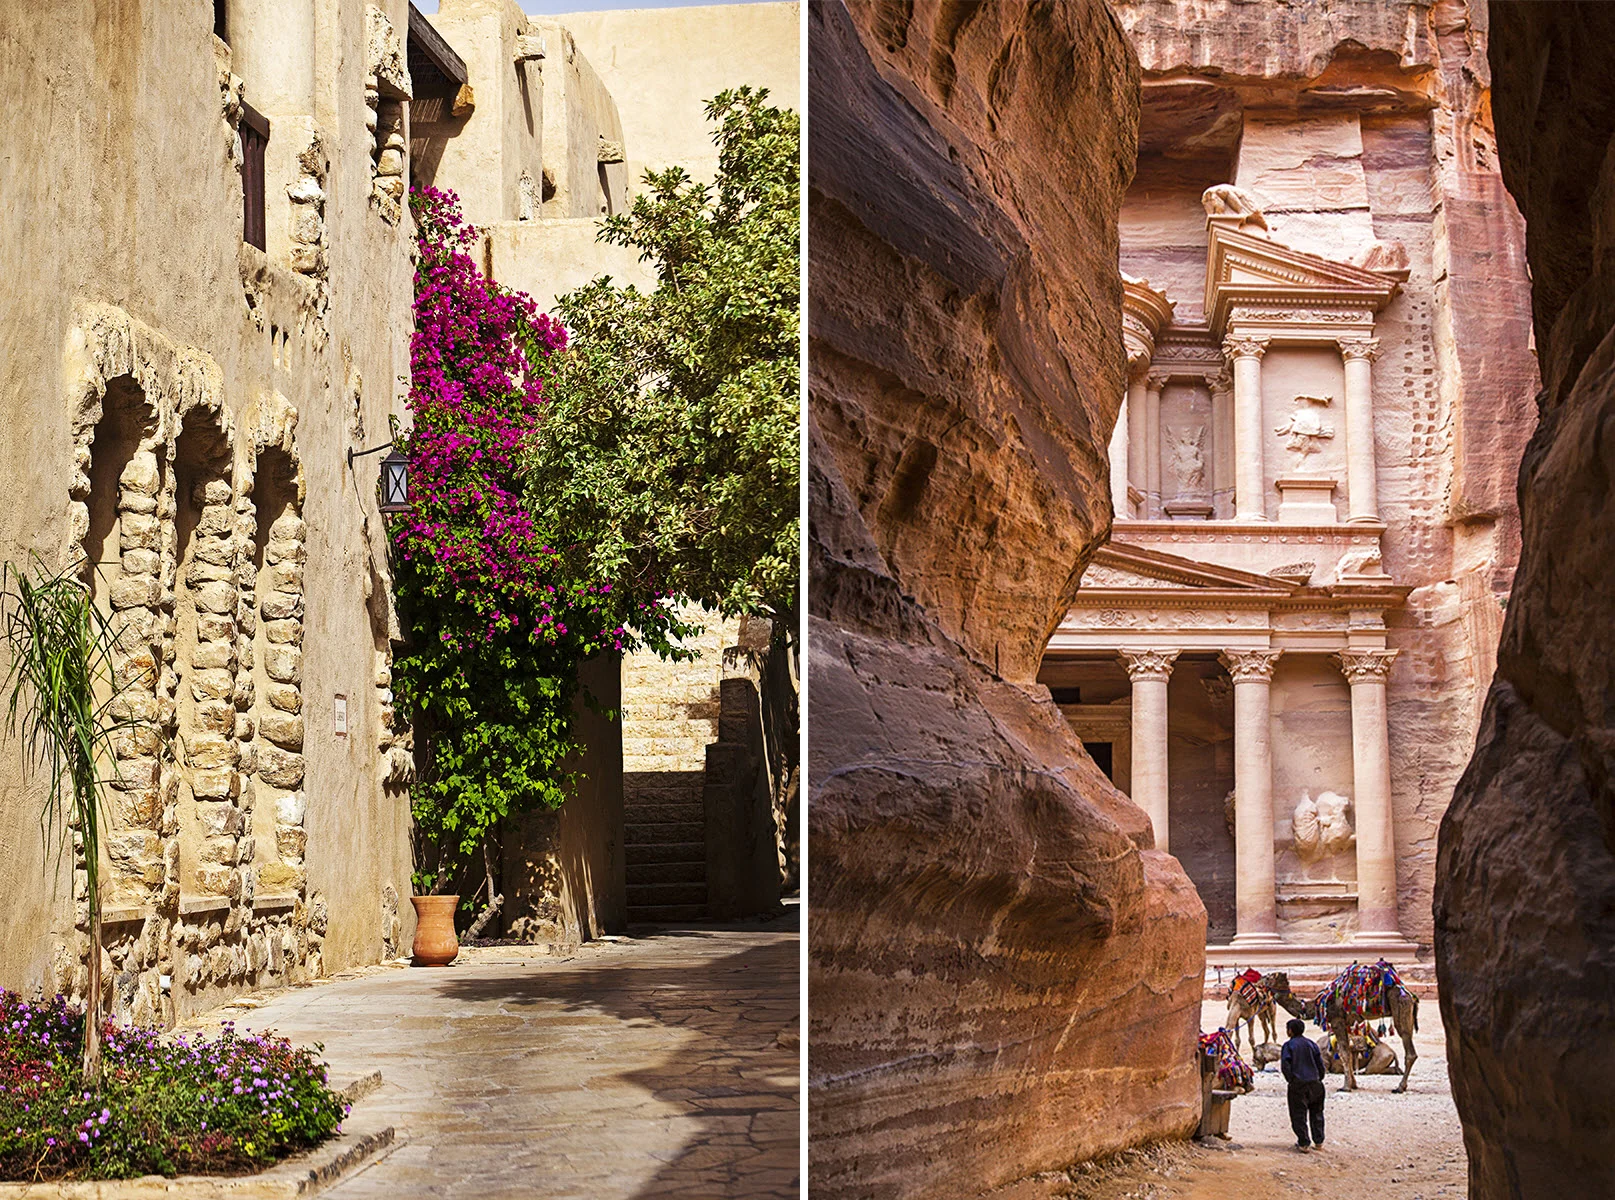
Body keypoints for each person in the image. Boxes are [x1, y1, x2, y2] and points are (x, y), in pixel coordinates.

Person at [1280, 1017, 1326, 1152]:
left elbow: (1285, 1066)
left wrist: (1292, 1081)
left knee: (1298, 1114)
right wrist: (1319, 1078)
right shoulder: (1312, 1044)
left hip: (1298, 1084)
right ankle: (1319, 1141)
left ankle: (1304, 1142)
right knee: (1317, 1113)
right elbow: (1320, 1064)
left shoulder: (1288, 1046)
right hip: (1316, 1083)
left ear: (1290, 1031)